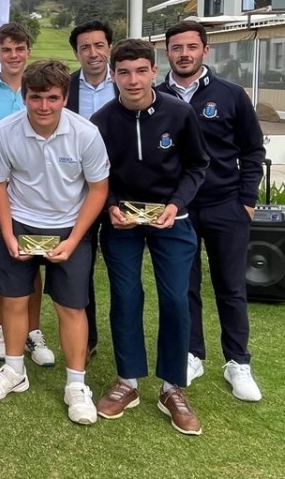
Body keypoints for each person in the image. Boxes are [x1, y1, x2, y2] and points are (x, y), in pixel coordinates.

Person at [0, 60, 109, 425]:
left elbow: (98, 189)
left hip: (69, 227)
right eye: (36, 98)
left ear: (65, 97)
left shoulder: (86, 133)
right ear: (26, 96)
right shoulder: (4, 132)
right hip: (20, 224)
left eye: (52, 98)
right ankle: (14, 370)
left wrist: (76, 238)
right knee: (14, 300)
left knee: (71, 307)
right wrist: (6, 233)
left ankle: (76, 386)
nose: (44, 106)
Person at [91, 39, 209, 436]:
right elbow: (97, 176)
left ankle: (172, 387)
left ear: (154, 72)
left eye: (141, 70)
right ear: (112, 76)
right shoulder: (103, 121)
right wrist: (110, 205)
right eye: (123, 72)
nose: (133, 80)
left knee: (176, 298)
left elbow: (196, 165)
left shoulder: (179, 112)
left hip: (173, 221)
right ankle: (128, 381)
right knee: (126, 296)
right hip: (122, 222)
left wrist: (176, 204)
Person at [157, 20, 265, 402]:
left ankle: (238, 362)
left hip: (225, 206)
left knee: (231, 287)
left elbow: (252, 150)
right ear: (166, 52)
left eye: (191, 47)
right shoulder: (155, 97)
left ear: (206, 50)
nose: (183, 53)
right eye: (176, 47)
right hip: (178, 210)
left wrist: (246, 202)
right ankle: (191, 353)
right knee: (184, 287)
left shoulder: (231, 95)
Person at [0, 23, 54, 366]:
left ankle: (32, 331)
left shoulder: (41, 91)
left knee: (33, 264)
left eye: (19, 48)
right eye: (7, 49)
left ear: (28, 50)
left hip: (38, 197)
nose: (14, 55)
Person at [65, 19, 115, 362]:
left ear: (109, 47)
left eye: (99, 45)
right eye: (85, 47)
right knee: (82, 268)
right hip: (80, 192)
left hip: (124, 193)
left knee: (122, 272)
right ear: (77, 52)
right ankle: (88, 340)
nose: (93, 53)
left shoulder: (130, 80)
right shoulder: (65, 88)